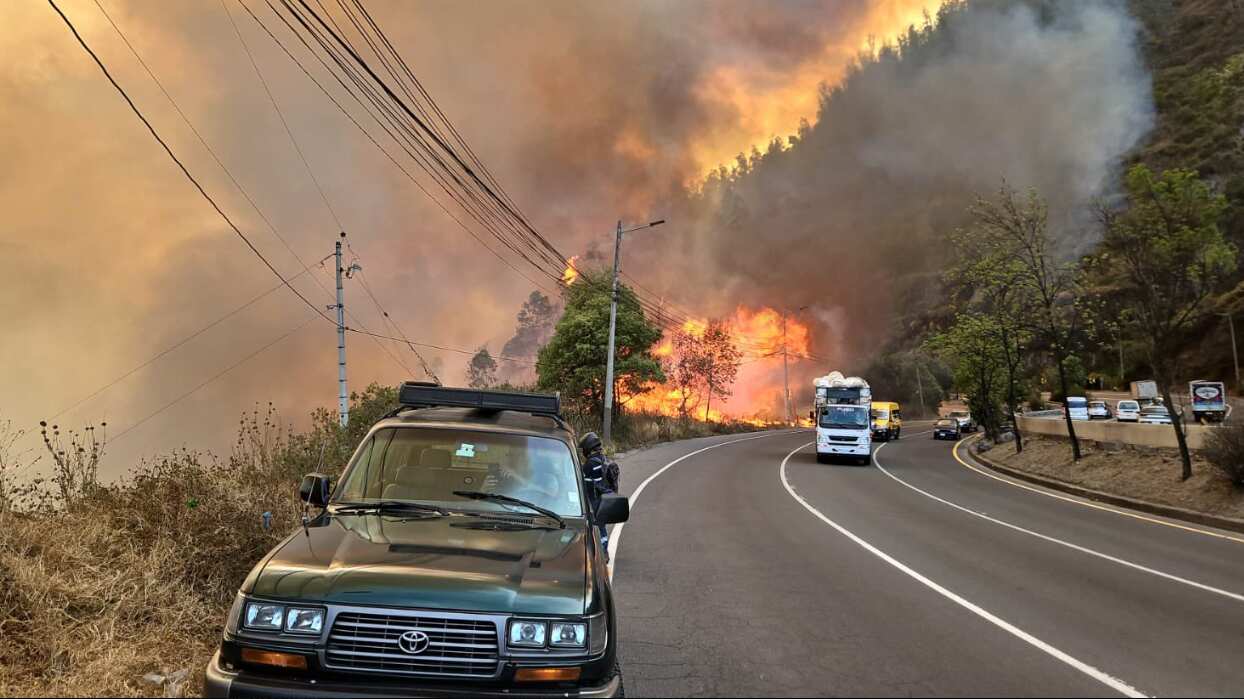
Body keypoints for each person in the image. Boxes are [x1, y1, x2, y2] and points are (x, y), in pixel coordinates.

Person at [578, 432, 613, 557]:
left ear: (588, 448)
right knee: (601, 527)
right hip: (604, 498)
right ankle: (604, 550)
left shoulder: (590, 464)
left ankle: (597, 553)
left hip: (593, 500)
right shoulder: (603, 459)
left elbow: (581, 482)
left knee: (591, 526)